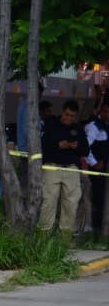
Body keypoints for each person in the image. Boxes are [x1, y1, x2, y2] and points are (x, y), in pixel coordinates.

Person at [39, 100, 89, 234]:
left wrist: (76, 146)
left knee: (71, 205)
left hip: (71, 169)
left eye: (72, 116)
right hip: (52, 167)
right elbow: (41, 147)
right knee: (48, 202)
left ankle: (64, 242)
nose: (69, 118)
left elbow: (86, 151)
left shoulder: (78, 129)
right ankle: (43, 238)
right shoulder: (51, 125)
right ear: (62, 111)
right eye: (67, 114)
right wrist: (58, 146)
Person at [84, 97, 109, 235]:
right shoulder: (94, 126)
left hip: (105, 168)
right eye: (105, 111)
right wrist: (94, 163)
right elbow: (85, 147)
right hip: (97, 170)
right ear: (101, 111)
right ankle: (96, 228)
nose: (107, 114)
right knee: (98, 198)